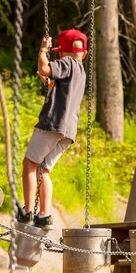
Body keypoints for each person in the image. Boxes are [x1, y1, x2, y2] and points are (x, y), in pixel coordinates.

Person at [19, 28, 88, 228]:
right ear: (84, 53)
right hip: (68, 131)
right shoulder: (80, 71)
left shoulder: (67, 62)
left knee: (29, 164)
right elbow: (60, 90)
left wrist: (42, 52)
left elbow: (44, 69)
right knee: (43, 169)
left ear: (61, 52)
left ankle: (27, 211)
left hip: (52, 124)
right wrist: (50, 83)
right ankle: (44, 215)